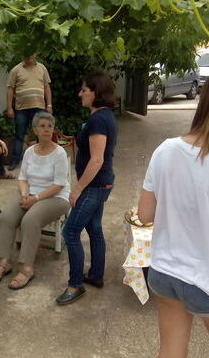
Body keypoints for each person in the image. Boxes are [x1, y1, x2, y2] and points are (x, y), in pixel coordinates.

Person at [137, 76, 209, 358]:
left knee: (170, 351)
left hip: (165, 271)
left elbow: (144, 215)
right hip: (205, 278)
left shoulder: (166, 150)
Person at [0, 112, 70, 289]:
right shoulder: (30, 152)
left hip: (56, 197)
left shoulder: (59, 153)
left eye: (50, 126)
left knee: (30, 220)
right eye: (42, 126)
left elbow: (59, 185)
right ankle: (4, 261)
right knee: (8, 215)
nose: (47, 129)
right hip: (31, 194)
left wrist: (35, 199)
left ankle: (26, 268)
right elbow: (23, 178)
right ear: (35, 130)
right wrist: (25, 195)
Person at [56, 71, 117, 305]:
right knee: (94, 229)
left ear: (96, 92)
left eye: (84, 89)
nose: (80, 93)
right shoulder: (102, 117)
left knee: (70, 232)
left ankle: (75, 284)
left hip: (93, 186)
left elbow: (97, 159)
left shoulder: (99, 120)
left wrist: (77, 188)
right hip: (100, 184)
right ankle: (96, 276)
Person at [6, 53, 52, 170]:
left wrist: (49, 105)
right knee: (19, 135)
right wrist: (10, 108)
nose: (29, 57)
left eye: (31, 54)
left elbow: (47, 87)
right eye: (27, 54)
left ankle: (43, 160)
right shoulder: (16, 70)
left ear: (36, 54)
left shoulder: (42, 68)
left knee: (41, 134)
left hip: (39, 106)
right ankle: (15, 161)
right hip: (21, 108)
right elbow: (10, 89)